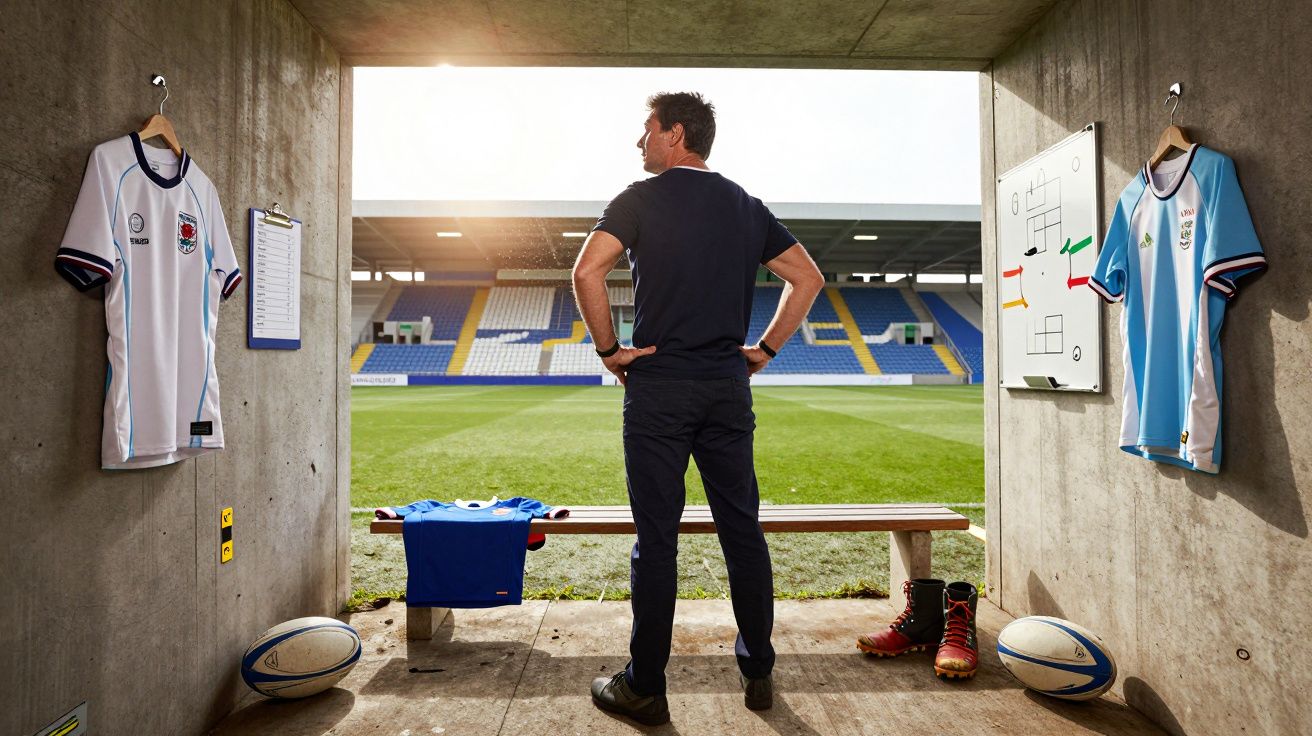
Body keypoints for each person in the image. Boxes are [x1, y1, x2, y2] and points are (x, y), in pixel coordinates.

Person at [571, 91, 824, 726]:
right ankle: (759, 669)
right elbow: (809, 279)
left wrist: (610, 351)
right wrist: (763, 349)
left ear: (675, 134)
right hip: (725, 383)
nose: (639, 144)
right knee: (744, 530)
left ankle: (646, 686)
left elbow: (586, 273)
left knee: (657, 539)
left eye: (646, 131)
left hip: (658, 385)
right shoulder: (747, 205)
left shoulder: (639, 198)